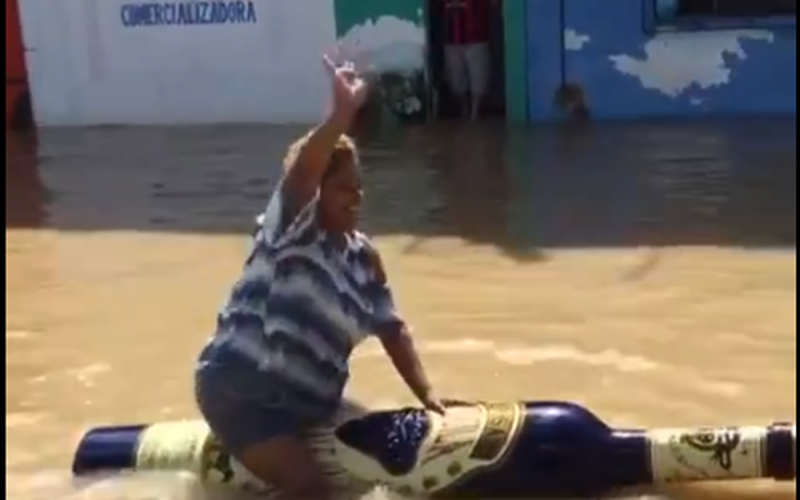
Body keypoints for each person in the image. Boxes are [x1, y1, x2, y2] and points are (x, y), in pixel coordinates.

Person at [193, 55, 446, 499]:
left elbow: (392, 328)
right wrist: (340, 117)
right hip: (244, 393)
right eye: (344, 187)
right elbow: (302, 173)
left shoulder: (362, 257)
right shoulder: (292, 227)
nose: (358, 196)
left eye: (360, 186)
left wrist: (429, 397)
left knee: (377, 475)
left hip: (308, 407)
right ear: (317, 194)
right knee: (309, 487)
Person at [442, 0, 495, 120]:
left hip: (477, 36)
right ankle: (465, 110)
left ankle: (474, 113)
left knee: (479, 77)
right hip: (452, 37)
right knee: (456, 80)